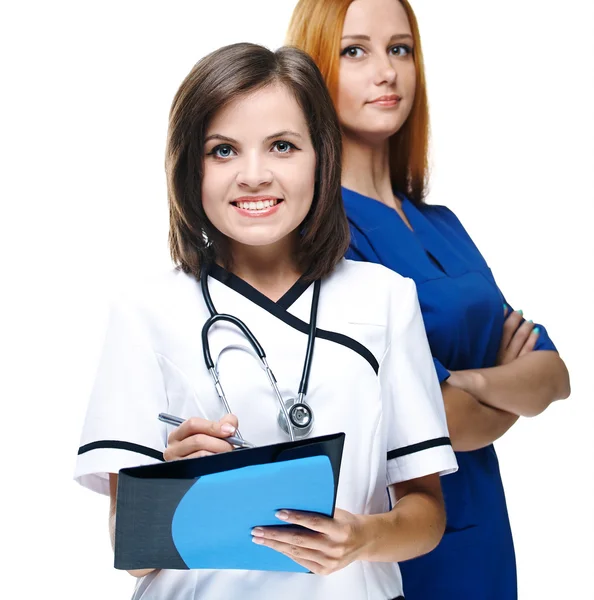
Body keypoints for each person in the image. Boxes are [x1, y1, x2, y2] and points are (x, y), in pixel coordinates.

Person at [73, 42, 458, 600]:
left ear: (321, 157)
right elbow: (125, 551)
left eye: (282, 146)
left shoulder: (385, 300)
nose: (254, 175)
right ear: (189, 166)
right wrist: (166, 486)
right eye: (223, 150)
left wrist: (362, 537)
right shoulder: (144, 312)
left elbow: (426, 515)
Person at [286, 1, 571, 599]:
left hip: (483, 532)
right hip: (396, 540)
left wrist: (477, 385)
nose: (386, 71)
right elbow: (432, 423)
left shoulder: (441, 223)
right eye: (355, 51)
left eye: (400, 49)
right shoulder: (323, 236)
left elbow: (554, 374)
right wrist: (499, 381)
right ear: (313, 71)